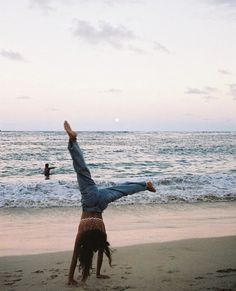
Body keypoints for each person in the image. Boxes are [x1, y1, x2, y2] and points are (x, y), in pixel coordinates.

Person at [64, 121, 156, 285]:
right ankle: (73, 141)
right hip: (90, 198)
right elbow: (76, 254)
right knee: (82, 171)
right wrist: (70, 278)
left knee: (120, 190)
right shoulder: (83, 234)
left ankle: (145, 186)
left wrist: (79, 277)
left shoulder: (100, 232)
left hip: (100, 203)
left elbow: (99, 251)